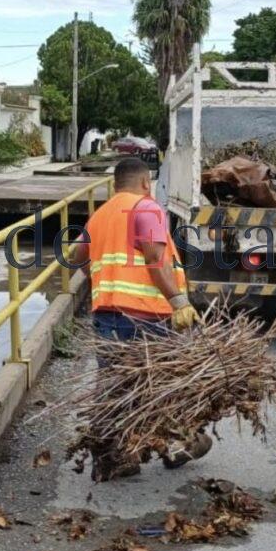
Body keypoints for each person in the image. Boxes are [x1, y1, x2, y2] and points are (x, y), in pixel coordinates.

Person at [72, 157, 212, 481]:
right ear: (146, 182)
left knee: (112, 386)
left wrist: (100, 280)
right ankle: (178, 445)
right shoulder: (147, 208)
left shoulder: (100, 215)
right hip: (147, 315)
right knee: (163, 385)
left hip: (108, 314)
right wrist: (178, 302)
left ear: (115, 184)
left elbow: (76, 256)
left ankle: (112, 458)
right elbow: (153, 257)